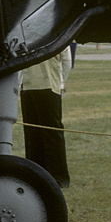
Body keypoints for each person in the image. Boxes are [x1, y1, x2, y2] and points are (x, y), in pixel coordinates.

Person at [20, 52, 70, 187]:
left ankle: (57, 176)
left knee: (48, 133)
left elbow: (66, 61)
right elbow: (67, 62)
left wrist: (60, 85)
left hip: (43, 86)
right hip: (32, 86)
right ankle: (37, 174)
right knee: (34, 134)